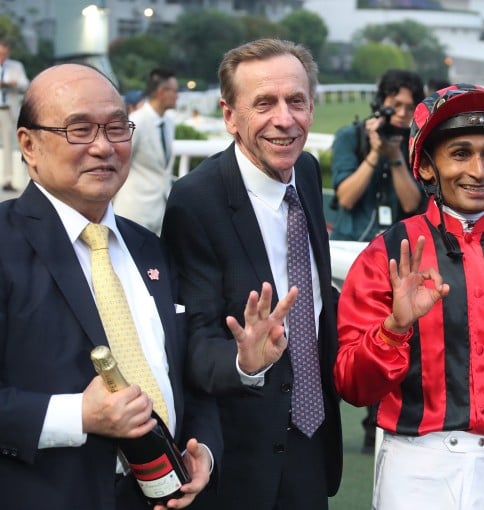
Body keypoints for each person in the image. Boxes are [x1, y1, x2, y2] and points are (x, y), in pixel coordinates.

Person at [334, 83, 484, 510]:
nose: (480, 171)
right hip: (415, 467)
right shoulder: (387, 254)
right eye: (460, 153)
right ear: (427, 168)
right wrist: (394, 330)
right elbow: (352, 385)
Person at [0, 63, 221, 510]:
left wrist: (204, 452)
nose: (103, 147)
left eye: (117, 128)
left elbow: (186, 377)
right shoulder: (4, 245)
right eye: (79, 129)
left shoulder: (150, 248)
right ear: (29, 144)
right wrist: (77, 416)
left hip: (166, 493)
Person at [161, 39, 343, 510]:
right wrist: (247, 362)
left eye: (296, 101)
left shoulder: (305, 169)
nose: (285, 119)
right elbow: (193, 342)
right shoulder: (194, 201)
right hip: (241, 461)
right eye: (264, 103)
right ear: (229, 115)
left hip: (313, 438)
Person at [329, 69, 425, 242]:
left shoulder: (414, 145)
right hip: (350, 241)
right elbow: (346, 199)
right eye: (396, 105)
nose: (402, 113)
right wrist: (375, 153)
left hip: (394, 245)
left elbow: (411, 204)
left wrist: (395, 154)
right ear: (380, 103)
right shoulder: (350, 136)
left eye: (409, 108)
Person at [114, 68, 178, 235]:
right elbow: (118, 163)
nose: (177, 96)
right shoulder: (137, 121)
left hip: (160, 211)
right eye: (174, 91)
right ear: (161, 92)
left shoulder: (169, 121)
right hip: (134, 211)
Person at [0, 39, 29, 191]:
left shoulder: (16, 66)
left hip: (7, 109)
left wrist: (13, 83)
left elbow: (25, 83)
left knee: (9, 145)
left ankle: (8, 180)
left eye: (4, 54)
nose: (2, 56)